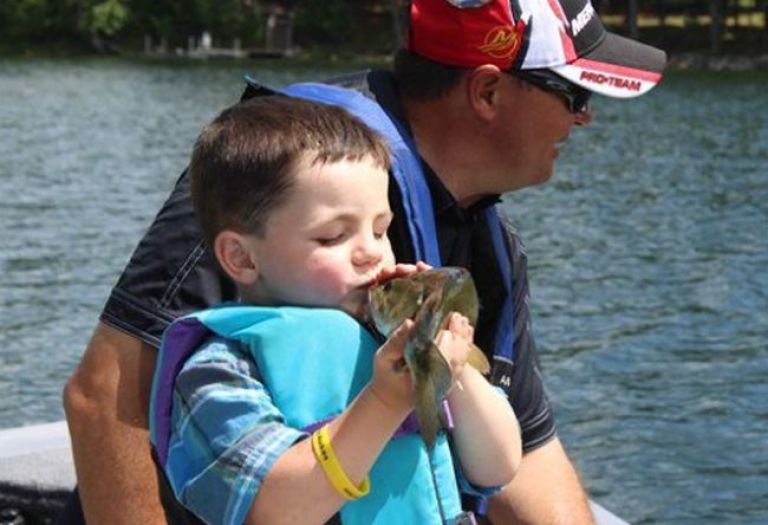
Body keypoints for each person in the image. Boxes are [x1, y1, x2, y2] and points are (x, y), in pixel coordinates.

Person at [62, 0, 667, 523]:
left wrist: (455, 374)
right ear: (487, 92)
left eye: (381, 228)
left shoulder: (491, 246)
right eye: (575, 94)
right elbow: (104, 398)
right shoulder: (290, 168)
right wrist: (382, 403)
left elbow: (523, 458)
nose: (585, 116)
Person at [148, 95, 522, 525]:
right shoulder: (220, 371)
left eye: (381, 230)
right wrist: (384, 402)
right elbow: (274, 510)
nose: (371, 252)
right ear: (242, 258)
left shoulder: (393, 344)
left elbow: (498, 466)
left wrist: (448, 365)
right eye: (332, 237)